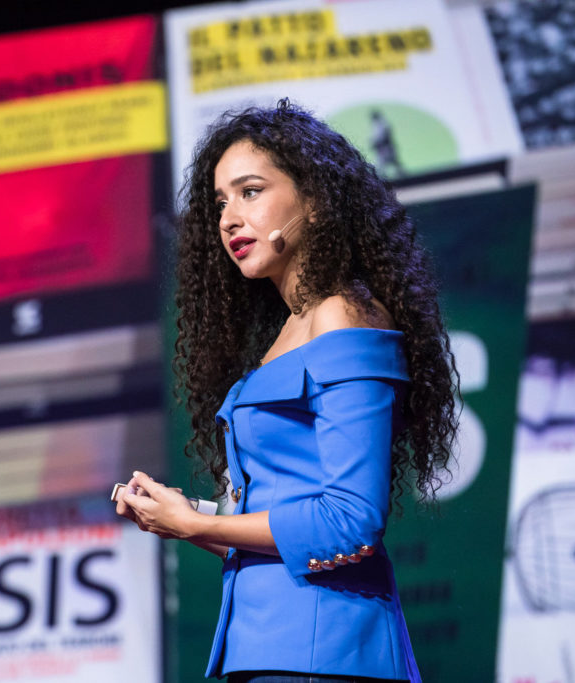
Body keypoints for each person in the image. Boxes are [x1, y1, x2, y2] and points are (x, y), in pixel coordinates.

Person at [115, 100, 458, 682]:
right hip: (266, 648)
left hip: (326, 654)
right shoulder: (288, 332)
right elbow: (283, 535)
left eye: (250, 192)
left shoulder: (341, 315)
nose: (228, 218)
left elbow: (350, 522)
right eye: (220, 202)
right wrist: (181, 517)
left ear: (316, 202)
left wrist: (198, 526)